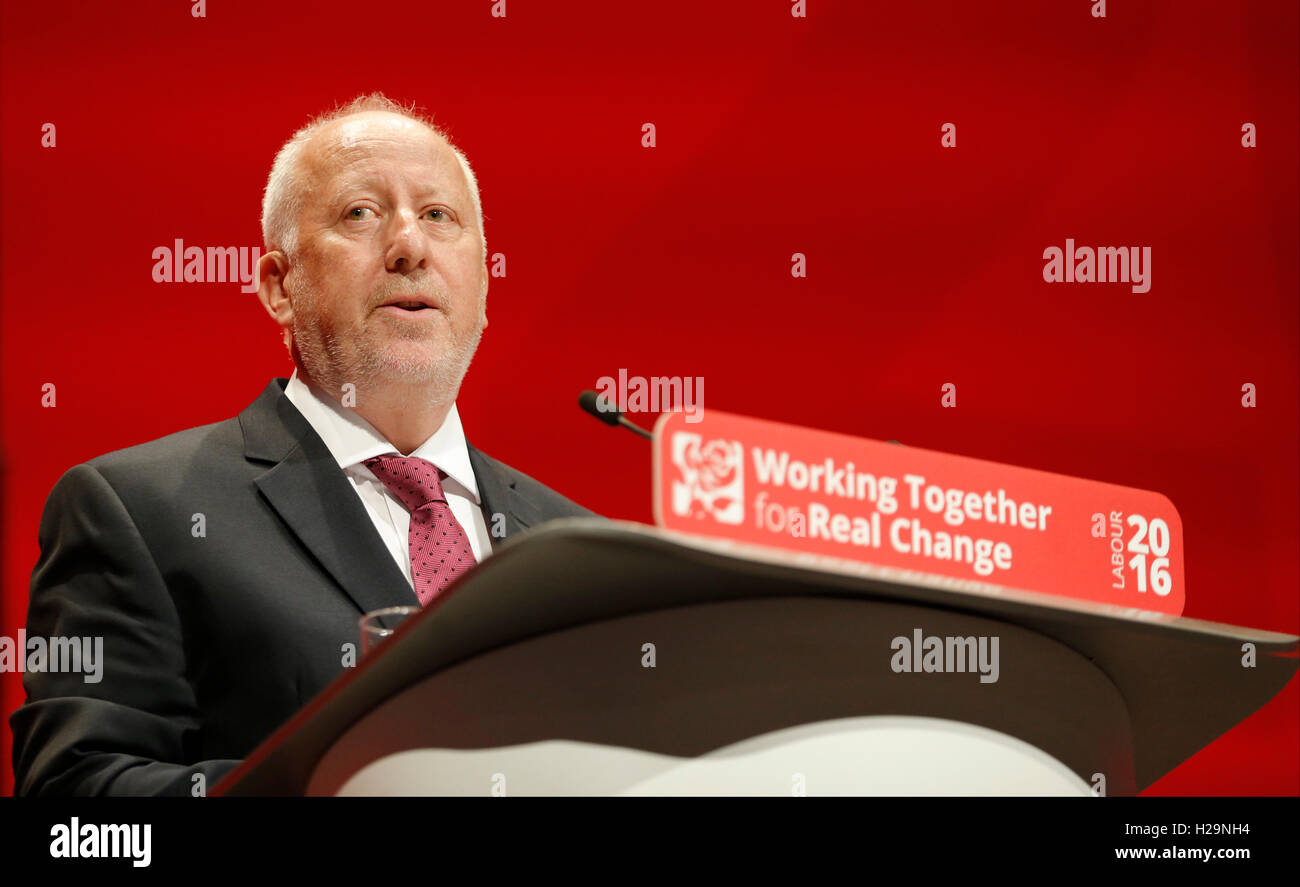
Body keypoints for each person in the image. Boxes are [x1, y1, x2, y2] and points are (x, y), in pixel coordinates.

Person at [10, 93, 598, 796]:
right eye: (361, 213)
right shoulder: (137, 511)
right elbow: (74, 812)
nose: (411, 244)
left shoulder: (580, 547)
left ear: (483, 285)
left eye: (439, 215)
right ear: (278, 286)